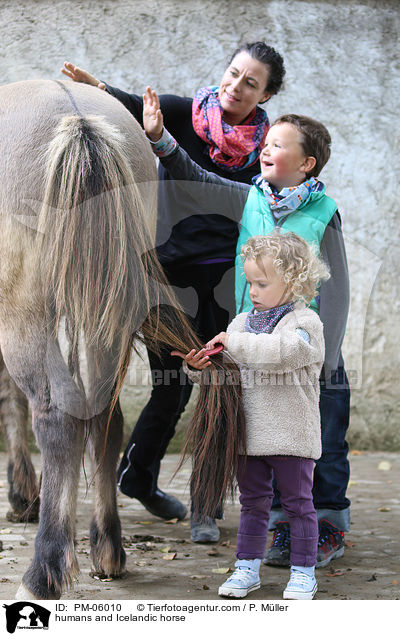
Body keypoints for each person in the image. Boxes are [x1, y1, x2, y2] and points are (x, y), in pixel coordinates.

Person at [62, 42, 286, 542]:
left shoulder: (269, 146)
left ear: (266, 93)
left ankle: (206, 505)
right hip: (169, 274)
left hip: (231, 278)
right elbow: (132, 105)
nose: (236, 86)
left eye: (251, 83)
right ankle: (137, 475)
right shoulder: (184, 113)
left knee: (223, 388)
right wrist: (94, 86)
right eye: (233, 74)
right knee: (172, 384)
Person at [142, 87, 351, 567]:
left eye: (278, 144)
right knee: (276, 438)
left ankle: (330, 526)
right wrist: (160, 140)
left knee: (324, 439)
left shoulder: (323, 212)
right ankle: (284, 528)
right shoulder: (251, 197)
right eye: (267, 143)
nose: (267, 149)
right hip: (259, 345)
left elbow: (336, 291)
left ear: (307, 165)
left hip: (306, 350)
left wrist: (327, 361)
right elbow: (197, 179)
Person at [174, 231, 330, 600]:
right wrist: (200, 366)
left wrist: (233, 343)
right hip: (249, 436)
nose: (254, 290)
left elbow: (283, 353)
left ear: (293, 280)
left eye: (263, 283)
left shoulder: (305, 324)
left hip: (292, 436)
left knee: (298, 505)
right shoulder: (242, 322)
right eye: (250, 282)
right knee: (253, 504)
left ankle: (303, 571)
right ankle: (247, 567)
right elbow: (227, 368)